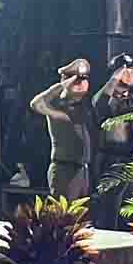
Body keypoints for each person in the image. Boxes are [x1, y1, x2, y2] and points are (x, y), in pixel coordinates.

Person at [31, 59, 97, 200]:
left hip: (83, 170)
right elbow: (36, 104)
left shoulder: (85, 107)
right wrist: (62, 85)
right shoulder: (57, 105)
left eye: (83, 79)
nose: (80, 84)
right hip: (64, 170)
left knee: (83, 212)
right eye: (75, 80)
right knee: (64, 212)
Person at [91, 52, 133, 229]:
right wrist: (115, 78)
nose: (129, 74)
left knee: (130, 207)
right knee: (110, 206)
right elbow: (99, 103)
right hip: (112, 157)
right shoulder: (107, 98)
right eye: (125, 70)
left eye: (132, 71)